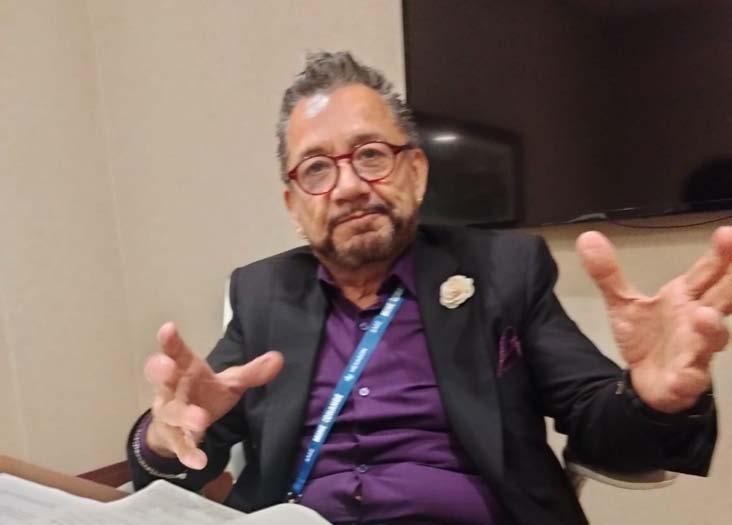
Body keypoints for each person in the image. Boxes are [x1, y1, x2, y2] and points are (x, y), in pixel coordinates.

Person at [127, 51, 724, 525]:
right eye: (317, 168)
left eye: (370, 155)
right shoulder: (263, 293)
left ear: (415, 172)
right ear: (293, 205)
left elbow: (600, 425)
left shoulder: (503, 270)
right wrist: (160, 439)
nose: (349, 186)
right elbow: (187, 445)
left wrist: (653, 400)